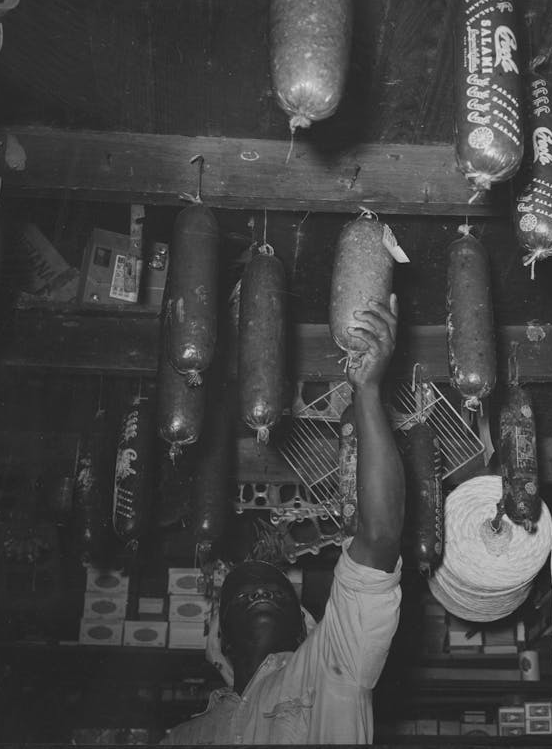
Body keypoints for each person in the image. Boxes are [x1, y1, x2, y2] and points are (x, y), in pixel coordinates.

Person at [162, 295, 405, 745]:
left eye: (275, 592)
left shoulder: (334, 665)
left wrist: (368, 391)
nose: (259, 591)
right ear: (222, 642)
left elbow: (380, 537)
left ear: (302, 627)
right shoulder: (185, 738)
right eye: (243, 595)